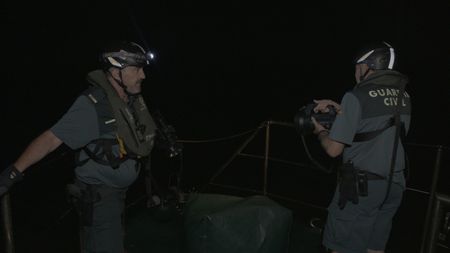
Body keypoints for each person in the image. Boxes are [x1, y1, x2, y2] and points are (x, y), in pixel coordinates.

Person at [0, 40, 158, 253]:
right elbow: (51, 139)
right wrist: (13, 173)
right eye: (137, 69)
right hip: (101, 198)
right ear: (115, 71)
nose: (143, 75)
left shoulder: (127, 99)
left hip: (120, 194)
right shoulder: (92, 105)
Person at [311, 42, 411, 253]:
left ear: (370, 65)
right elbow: (382, 123)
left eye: (358, 66)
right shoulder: (404, 96)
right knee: (374, 247)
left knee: (341, 246)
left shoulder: (356, 95)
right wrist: (341, 109)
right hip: (394, 186)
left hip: (361, 187)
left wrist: (321, 131)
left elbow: (334, 150)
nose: (356, 72)